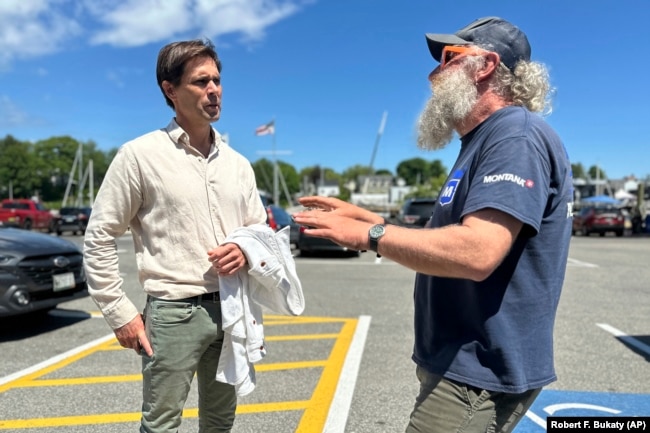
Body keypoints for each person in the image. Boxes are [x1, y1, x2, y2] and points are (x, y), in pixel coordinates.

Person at [292, 17, 573, 433]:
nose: (434, 72)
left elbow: (478, 251)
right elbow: (447, 239)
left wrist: (370, 237)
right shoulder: (484, 140)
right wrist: (369, 218)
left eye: (448, 58)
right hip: (460, 365)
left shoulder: (515, 136)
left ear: (486, 65)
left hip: (478, 374)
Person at [83, 38, 267, 433]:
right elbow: (99, 236)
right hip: (172, 313)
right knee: (162, 425)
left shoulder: (239, 165)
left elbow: (259, 231)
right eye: (201, 82)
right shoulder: (140, 156)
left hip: (232, 308)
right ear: (170, 90)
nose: (214, 90)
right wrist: (120, 314)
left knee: (220, 421)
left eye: (217, 80)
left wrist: (245, 250)